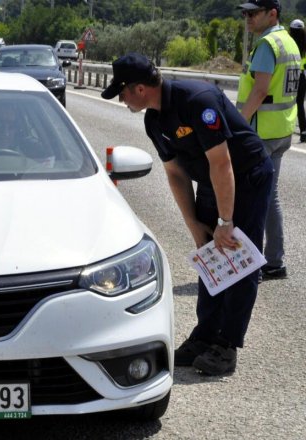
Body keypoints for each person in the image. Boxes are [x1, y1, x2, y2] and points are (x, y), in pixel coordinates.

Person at [102, 53, 274, 376]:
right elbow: (176, 174)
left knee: (240, 258)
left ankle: (226, 344)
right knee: (211, 254)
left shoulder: (198, 101)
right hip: (213, 179)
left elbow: (222, 162)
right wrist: (194, 224)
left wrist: (226, 222)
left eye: (122, 92)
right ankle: (205, 334)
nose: (121, 99)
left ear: (140, 89)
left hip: (246, 176)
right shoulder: (153, 120)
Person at [236, 0, 299, 281]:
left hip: (261, 134)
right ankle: (274, 261)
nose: (247, 17)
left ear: (272, 13)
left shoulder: (267, 45)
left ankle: (255, 265)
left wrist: (238, 126)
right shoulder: (290, 42)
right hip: (282, 130)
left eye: (253, 13)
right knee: (269, 197)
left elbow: (260, 91)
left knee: (254, 199)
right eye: (245, 13)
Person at [288, 18, 306, 142]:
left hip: (292, 75)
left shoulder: (289, 43)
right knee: (300, 104)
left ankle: (288, 130)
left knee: (291, 103)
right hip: (303, 75)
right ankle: (304, 131)